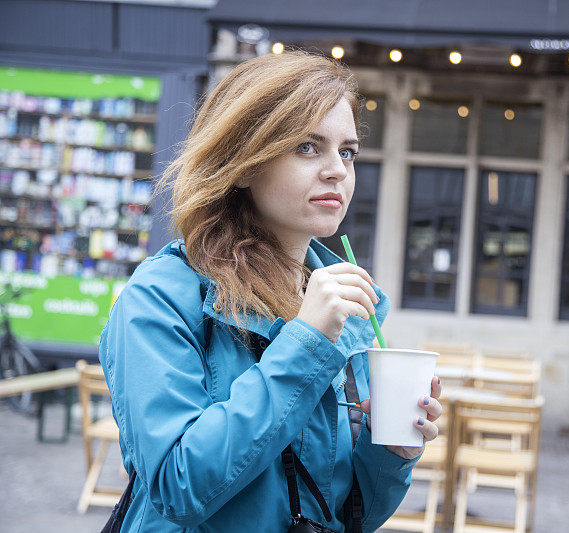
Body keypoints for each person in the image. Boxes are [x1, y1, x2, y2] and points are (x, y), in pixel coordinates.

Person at [99, 50, 443, 532]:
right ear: (242, 163)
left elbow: (344, 515)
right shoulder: (160, 297)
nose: (337, 171)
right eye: (307, 147)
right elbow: (179, 486)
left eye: (346, 151)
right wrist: (305, 341)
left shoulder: (348, 304)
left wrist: (390, 455)